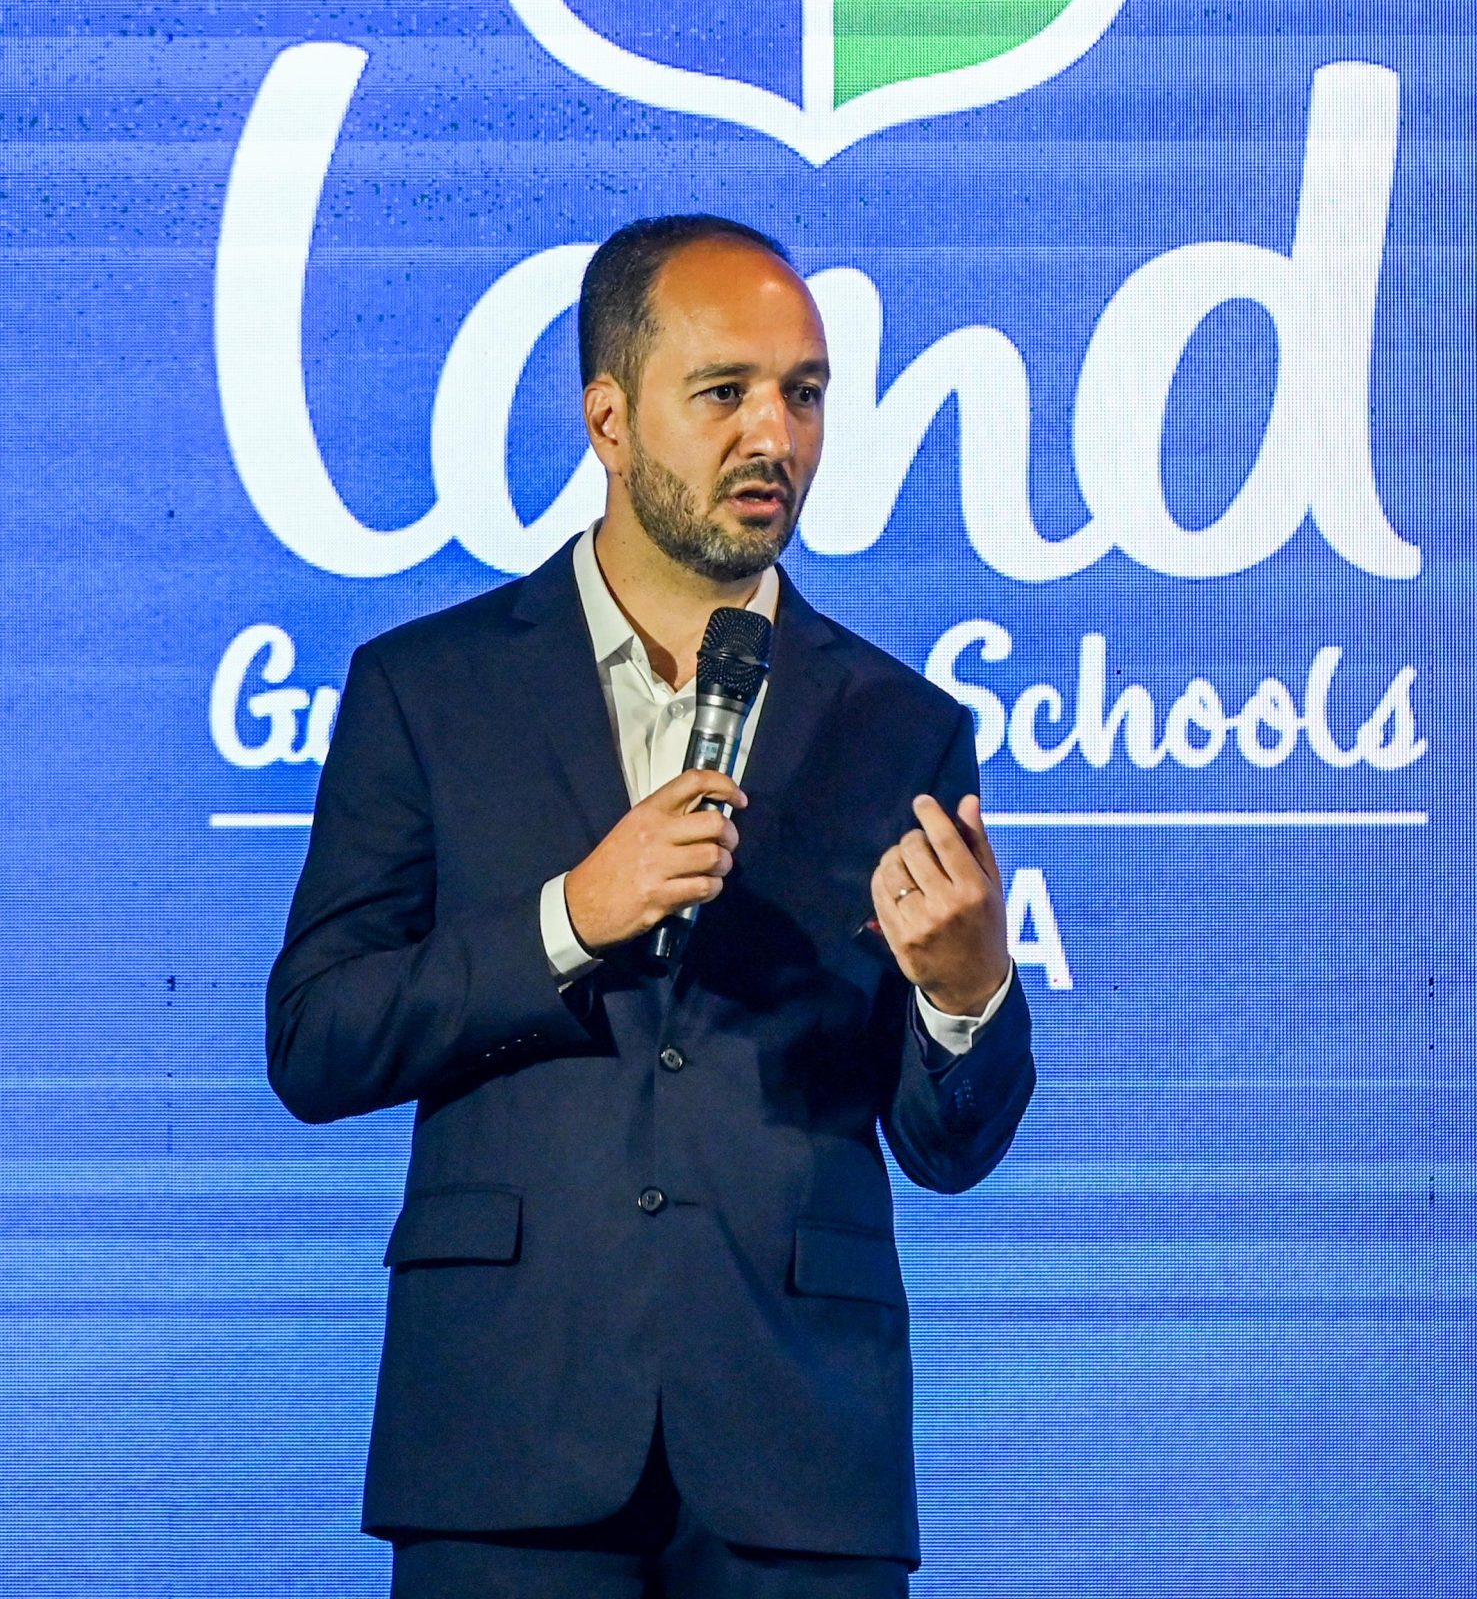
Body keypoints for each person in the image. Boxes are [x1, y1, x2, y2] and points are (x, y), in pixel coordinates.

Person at [267, 214, 1035, 1597]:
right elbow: (318, 1040)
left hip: (802, 1455)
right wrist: (568, 916)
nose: (775, 436)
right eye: (724, 391)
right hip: (504, 1434)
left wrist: (966, 993)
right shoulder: (427, 690)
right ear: (609, 419)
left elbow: (947, 1147)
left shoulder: (904, 726)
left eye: (804, 394)